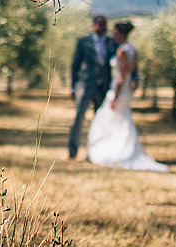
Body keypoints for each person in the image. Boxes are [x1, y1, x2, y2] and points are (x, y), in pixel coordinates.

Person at [86, 21, 169, 171]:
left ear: (122, 34)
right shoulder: (133, 50)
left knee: (106, 119)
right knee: (122, 120)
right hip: (126, 91)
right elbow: (132, 74)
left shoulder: (122, 51)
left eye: (116, 33)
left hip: (119, 90)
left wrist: (115, 97)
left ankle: (114, 152)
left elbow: (122, 76)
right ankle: (122, 150)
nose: (114, 36)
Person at [69, 15, 117, 159]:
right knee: (79, 118)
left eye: (105, 24)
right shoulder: (83, 42)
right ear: (94, 25)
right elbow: (75, 65)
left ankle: (95, 152)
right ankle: (72, 151)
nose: (102, 27)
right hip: (85, 85)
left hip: (103, 88)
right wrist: (72, 87)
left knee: (100, 121)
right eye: (100, 24)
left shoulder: (111, 42)